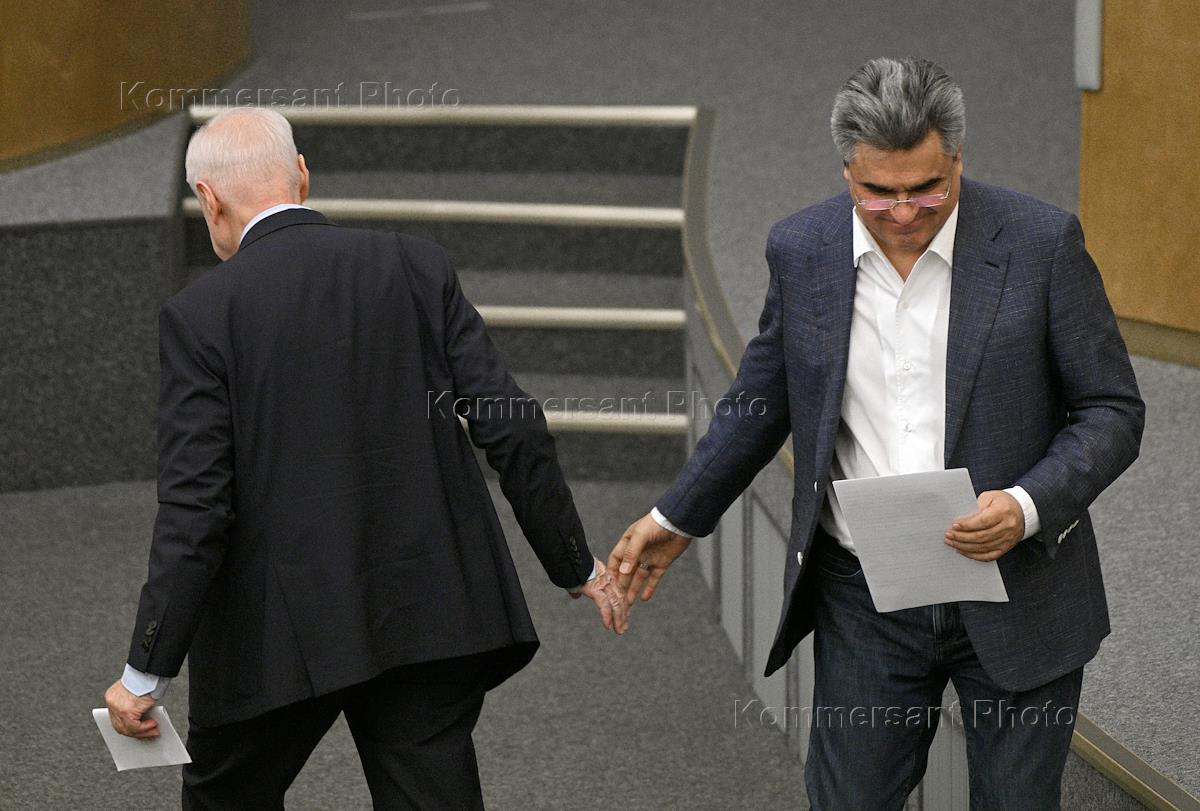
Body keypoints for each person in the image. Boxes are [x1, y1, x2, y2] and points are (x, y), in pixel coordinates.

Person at [610, 57, 1144, 810]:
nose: (902, 211)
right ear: (846, 171)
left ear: (958, 159)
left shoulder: (1041, 244)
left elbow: (1112, 410)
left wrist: (1025, 505)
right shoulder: (802, 250)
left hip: (1019, 585)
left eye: (926, 187)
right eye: (877, 192)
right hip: (865, 593)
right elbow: (760, 401)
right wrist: (676, 516)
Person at [103, 106, 628, 809]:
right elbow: (513, 426)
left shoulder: (201, 315)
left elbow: (197, 509)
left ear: (209, 199)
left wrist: (145, 673)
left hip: (279, 634)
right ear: (302, 175)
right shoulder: (415, 265)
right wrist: (575, 562)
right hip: (427, 609)